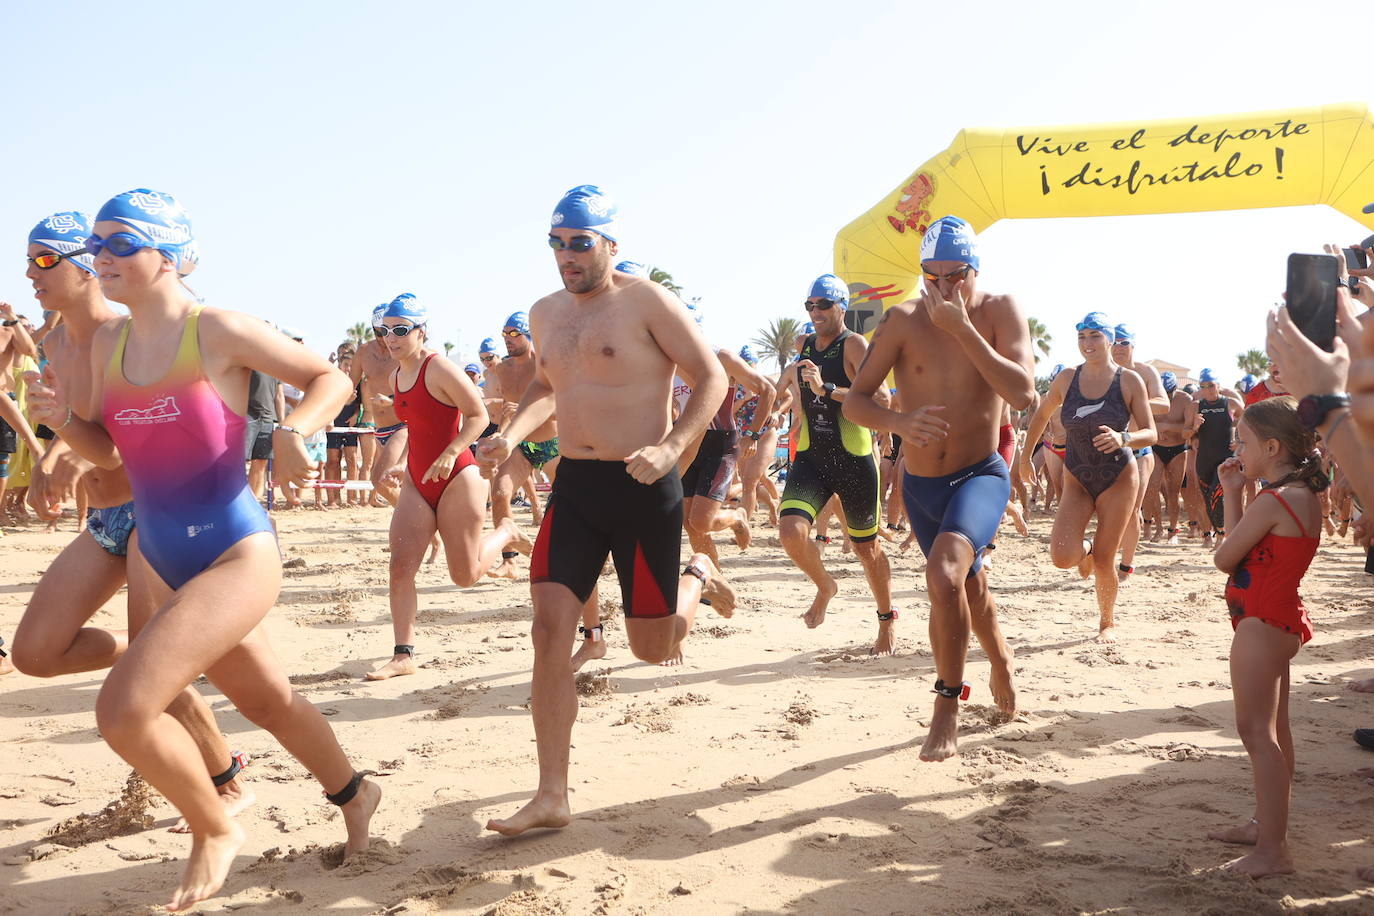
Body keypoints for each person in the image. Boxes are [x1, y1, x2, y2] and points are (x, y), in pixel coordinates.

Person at [25, 189, 378, 911]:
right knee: (268, 700)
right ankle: (356, 792)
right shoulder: (107, 343)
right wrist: (62, 423)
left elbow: (330, 377)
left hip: (234, 551)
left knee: (125, 711)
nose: (103, 257)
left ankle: (214, 827)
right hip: (159, 550)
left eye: (121, 243)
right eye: (97, 245)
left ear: (165, 255)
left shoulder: (214, 327)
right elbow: (106, 450)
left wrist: (295, 432)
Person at [478, 185, 734, 836]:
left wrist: (674, 445)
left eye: (580, 243)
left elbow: (711, 377)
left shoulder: (646, 302)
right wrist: (512, 433)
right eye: (557, 243)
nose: (566, 255)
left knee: (652, 650)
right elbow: (546, 383)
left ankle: (698, 580)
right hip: (577, 491)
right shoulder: (544, 313)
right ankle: (551, 795)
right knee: (547, 633)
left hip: (646, 489)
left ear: (610, 244)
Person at [16, 210, 252, 829]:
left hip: (157, 511)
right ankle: (147, 647)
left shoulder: (127, 331)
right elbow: (74, 421)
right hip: (106, 519)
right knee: (35, 654)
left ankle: (226, 782)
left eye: (46, 259)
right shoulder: (52, 342)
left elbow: (122, 433)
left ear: (82, 267)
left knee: (156, 679)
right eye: (27, 259)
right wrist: (48, 457)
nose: (30, 272)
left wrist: (62, 448)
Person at [846, 215, 1034, 759]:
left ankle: (947, 703)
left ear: (975, 270)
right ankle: (1000, 660)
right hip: (924, 484)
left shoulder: (999, 310)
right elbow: (858, 400)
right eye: (932, 276)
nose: (944, 288)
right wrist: (899, 425)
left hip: (980, 473)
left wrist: (963, 329)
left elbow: (1022, 393)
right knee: (967, 587)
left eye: (956, 276)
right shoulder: (903, 318)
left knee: (944, 572)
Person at [364, 294, 531, 680]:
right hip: (418, 482)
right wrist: (402, 466)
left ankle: (506, 531)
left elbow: (476, 415)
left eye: (401, 330)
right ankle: (403, 654)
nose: (392, 338)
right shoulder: (395, 376)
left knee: (465, 576)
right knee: (401, 566)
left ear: (421, 331)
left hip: (458, 475)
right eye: (385, 331)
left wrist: (452, 451)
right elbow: (415, 427)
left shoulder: (438, 368)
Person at [1206, 396, 1325, 877]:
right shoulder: (1294, 496)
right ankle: (1266, 826)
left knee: (1256, 733)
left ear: (1272, 446)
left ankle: (1274, 850)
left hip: (1261, 624)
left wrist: (1242, 495)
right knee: (1275, 730)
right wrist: (1234, 490)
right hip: (1277, 620)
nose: (1237, 447)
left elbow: (1224, 556)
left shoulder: (1277, 500)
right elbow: (1241, 544)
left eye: (1245, 441)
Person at [775, 273, 896, 655]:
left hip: (853, 458)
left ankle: (886, 618)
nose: (815, 312)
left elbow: (881, 399)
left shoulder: (854, 344)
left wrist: (826, 388)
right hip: (812, 456)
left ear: (841, 306)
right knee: (790, 532)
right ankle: (825, 586)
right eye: (810, 306)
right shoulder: (803, 344)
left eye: (823, 305)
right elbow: (788, 385)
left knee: (867, 550)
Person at [1019, 312, 1156, 644]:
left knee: (1107, 560)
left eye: (1095, 336)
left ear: (1109, 340)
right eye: (1082, 337)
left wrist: (1125, 438)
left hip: (1119, 477)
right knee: (1062, 557)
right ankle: (1088, 551)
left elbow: (1151, 432)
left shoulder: (1129, 381)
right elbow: (1040, 415)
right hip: (1078, 477)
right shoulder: (1067, 378)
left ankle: (1106, 622)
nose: (1087, 343)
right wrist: (1025, 457)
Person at [485, 310, 560, 579]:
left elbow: (565, 407)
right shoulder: (502, 371)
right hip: (521, 445)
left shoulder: (545, 364)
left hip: (552, 442)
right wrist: (501, 430)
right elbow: (505, 412)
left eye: (514, 334)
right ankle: (510, 561)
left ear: (529, 335)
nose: (508, 339)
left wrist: (528, 411)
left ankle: (593, 552)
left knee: (572, 502)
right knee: (500, 493)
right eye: (505, 334)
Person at [1109, 323, 1169, 579]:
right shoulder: (1103, 372)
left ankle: (1125, 566)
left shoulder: (1146, 372)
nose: (1119, 347)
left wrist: (1133, 401)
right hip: (1110, 449)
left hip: (1140, 450)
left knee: (1133, 508)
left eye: (1124, 342)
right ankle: (1106, 556)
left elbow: (1163, 404)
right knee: (1109, 508)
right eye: (1115, 342)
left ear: (1133, 345)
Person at [352, 305, 408, 506]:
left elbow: (419, 391)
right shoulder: (364, 352)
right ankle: (422, 524)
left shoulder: (404, 352)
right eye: (379, 331)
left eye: (388, 331)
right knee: (394, 483)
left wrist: (393, 401)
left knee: (381, 479)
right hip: (379, 428)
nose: (383, 337)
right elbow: (350, 386)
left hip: (403, 425)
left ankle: (416, 519)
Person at [1184, 369, 1244, 549]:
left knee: (1217, 495)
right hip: (1204, 459)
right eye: (1203, 386)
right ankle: (1207, 535)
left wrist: (1239, 440)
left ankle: (1221, 534)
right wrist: (1194, 429)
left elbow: (1247, 423)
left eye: (1211, 385)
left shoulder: (1231, 403)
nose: (1208, 390)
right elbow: (1184, 433)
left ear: (1218, 385)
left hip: (1225, 459)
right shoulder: (1195, 406)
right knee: (1204, 499)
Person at [1147, 371, 1193, 545]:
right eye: (1164, 393)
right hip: (1156, 447)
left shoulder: (1185, 400)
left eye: (1170, 393)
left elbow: (1188, 428)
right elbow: (1145, 420)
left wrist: (1167, 427)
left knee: (1174, 493)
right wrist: (1158, 429)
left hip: (1178, 449)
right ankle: (1158, 528)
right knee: (1152, 489)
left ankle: (1172, 531)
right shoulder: (1152, 398)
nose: (1167, 397)